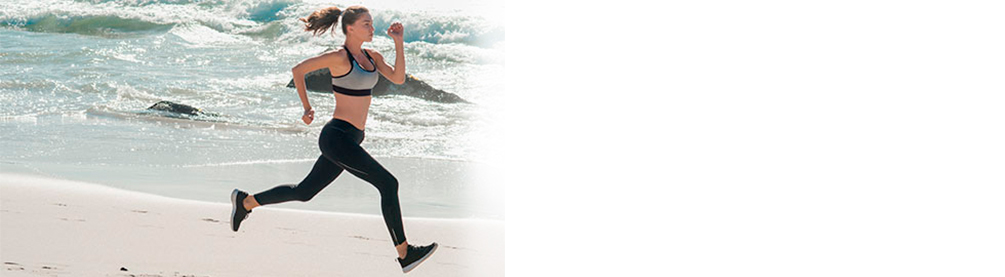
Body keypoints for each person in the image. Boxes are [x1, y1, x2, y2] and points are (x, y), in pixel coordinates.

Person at [228, 5, 437, 273]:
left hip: (351, 139)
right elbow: (298, 70)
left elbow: (397, 78)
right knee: (388, 183)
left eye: (372, 23)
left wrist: (399, 43)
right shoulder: (340, 58)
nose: (372, 28)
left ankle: (246, 202)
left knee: (304, 192)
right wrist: (306, 107)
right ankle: (405, 253)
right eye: (366, 24)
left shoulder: (372, 57)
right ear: (350, 28)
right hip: (337, 137)